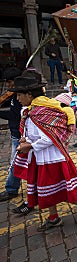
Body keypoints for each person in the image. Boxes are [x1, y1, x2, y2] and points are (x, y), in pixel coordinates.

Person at [10, 71, 77, 231]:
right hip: (41, 158)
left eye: (19, 95)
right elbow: (35, 134)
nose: (17, 99)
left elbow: (51, 137)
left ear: (29, 94)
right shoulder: (32, 110)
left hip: (52, 159)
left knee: (61, 190)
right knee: (47, 191)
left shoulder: (42, 111)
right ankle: (54, 217)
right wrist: (26, 139)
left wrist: (28, 146)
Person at [0, 67, 23, 202]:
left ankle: (11, 189)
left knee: (15, 163)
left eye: (9, 82)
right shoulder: (14, 96)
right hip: (16, 133)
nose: (7, 86)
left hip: (21, 135)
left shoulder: (21, 96)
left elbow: (14, 115)